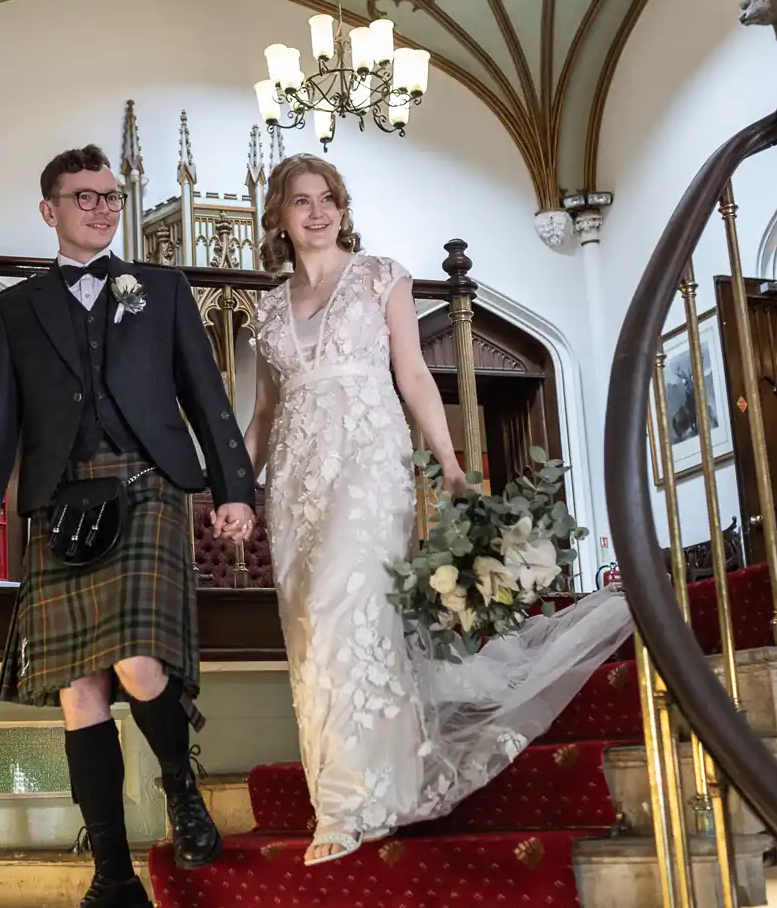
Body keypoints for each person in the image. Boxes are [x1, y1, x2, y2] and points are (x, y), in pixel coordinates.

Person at [242, 154, 633, 864]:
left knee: (343, 607)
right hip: (298, 480)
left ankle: (350, 804)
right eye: (301, 201)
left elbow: (414, 374)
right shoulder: (268, 309)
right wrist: (238, 486)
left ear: (343, 206)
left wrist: (450, 462)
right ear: (279, 215)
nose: (317, 211)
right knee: (312, 629)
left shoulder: (380, 276)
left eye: (328, 197)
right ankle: (372, 783)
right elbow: (265, 414)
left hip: (369, 463)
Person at [0, 143, 258, 908]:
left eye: (110, 194)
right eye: (84, 195)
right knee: (79, 690)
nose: (100, 206)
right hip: (61, 494)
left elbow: (207, 396)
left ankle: (181, 788)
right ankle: (115, 879)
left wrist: (235, 489)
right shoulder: (15, 308)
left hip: (147, 481)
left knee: (134, 658)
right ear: (48, 207)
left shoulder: (160, 289)